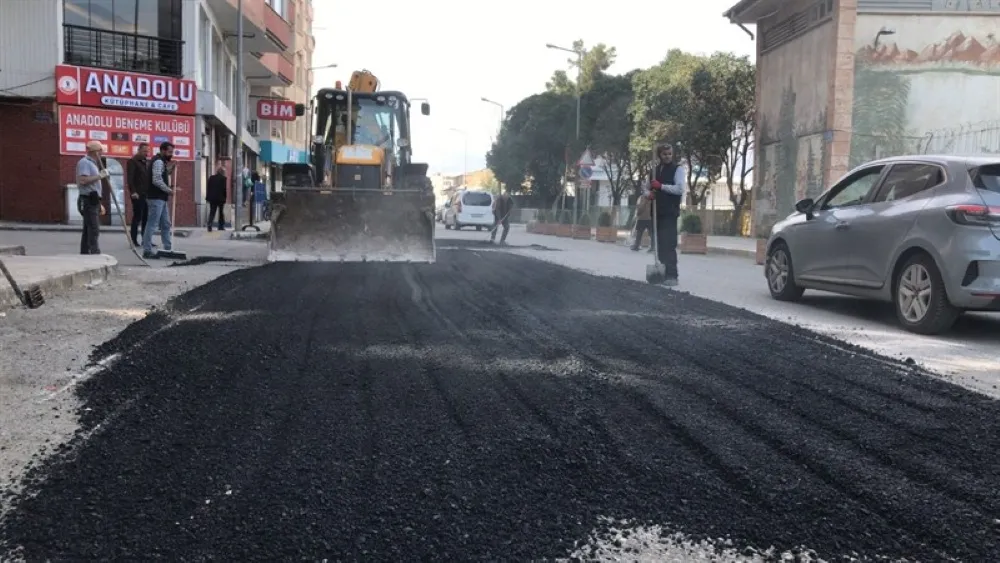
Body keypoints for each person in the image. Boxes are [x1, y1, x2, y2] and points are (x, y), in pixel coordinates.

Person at [645, 143, 686, 286]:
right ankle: (661, 272)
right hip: (656, 213)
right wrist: (648, 193)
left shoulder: (678, 170)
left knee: (669, 244)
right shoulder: (654, 171)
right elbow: (645, 189)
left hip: (669, 212)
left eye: (669, 154)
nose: (668, 156)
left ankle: (672, 275)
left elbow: (680, 189)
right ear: (659, 156)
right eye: (664, 154)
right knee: (659, 244)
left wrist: (661, 186)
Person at [142, 141, 176, 258]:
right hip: (155, 197)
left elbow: (162, 176)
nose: (171, 154)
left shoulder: (161, 162)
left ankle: (168, 248)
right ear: (163, 150)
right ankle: (147, 250)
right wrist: (168, 190)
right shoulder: (158, 161)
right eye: (169, 152)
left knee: (166, 224)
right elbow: (156, 180)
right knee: (152, 223)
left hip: (161, 198)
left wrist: (171, 169)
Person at [76, 141, 107, 254]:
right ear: (96, 152)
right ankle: (94, 252)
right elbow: (83, 180)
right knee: (93, 228)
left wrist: (100, 202)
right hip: (87, 198)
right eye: (101, 151)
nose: (102, 153)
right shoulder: (85, 163)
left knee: (88, 228)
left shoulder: (93, 163)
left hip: (93, 198)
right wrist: (99, 176)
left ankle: (85, 252)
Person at [127, 143, 151, 247]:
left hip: (146, 194)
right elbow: (130, 179)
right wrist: (133, 192)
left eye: (147, 151)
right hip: (137, 194)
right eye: (144, 151)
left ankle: (145, 240)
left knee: (146, 217)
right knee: (137, 217)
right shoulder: (133, 162)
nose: (146, 153)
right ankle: (133, 240)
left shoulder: (145, 162)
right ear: (139, 150)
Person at [206, 162, 228, 231]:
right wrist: (225, 197)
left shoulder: (211, 178)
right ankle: (220, 226)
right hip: (220, 198)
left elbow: (208, 188)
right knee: (221, 212)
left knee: (212, 212)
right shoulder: (224, 178)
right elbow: (224, 189)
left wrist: (208, 197)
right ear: (223, 172)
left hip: (212, 198)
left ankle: (209, 224)